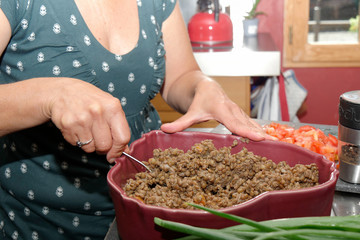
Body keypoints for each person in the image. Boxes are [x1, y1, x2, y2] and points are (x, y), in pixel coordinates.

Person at [0, 0, 271, 239]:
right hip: (43, 223)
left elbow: (180, 76)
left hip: (153, 209)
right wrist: (49, 95)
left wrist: (203, 87)